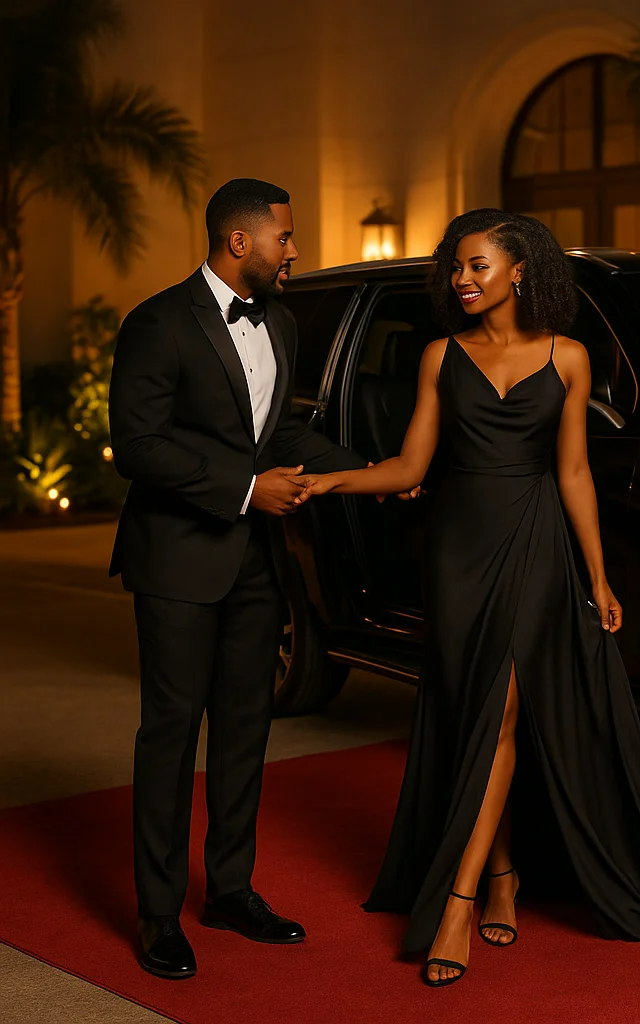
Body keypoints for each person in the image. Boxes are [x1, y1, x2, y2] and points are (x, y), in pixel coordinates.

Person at [298, 208, 640, 987]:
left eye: (476, 265)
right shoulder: (440, 356)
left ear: (519, 270)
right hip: (458, 551)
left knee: (505, 708)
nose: (460, 280)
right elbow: (410, 467)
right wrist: (328, 480)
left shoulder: (569, 357)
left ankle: (456, 902)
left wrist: (599, 577)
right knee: (477, 710)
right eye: (455, 268)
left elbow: (573, 472)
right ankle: (504, 873)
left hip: (537, 545)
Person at [108, 178, 373, 980]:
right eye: (284, 239)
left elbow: (283, 430)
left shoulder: (283, 322)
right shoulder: (157, 322)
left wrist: (376, 471)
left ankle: (230, 890)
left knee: (245, 735)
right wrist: (246, 489)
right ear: (239, 243)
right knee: (170, 736)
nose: (295, 251)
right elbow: (138, 445)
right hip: (179, 562)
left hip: (258, 565)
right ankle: (158, 917)